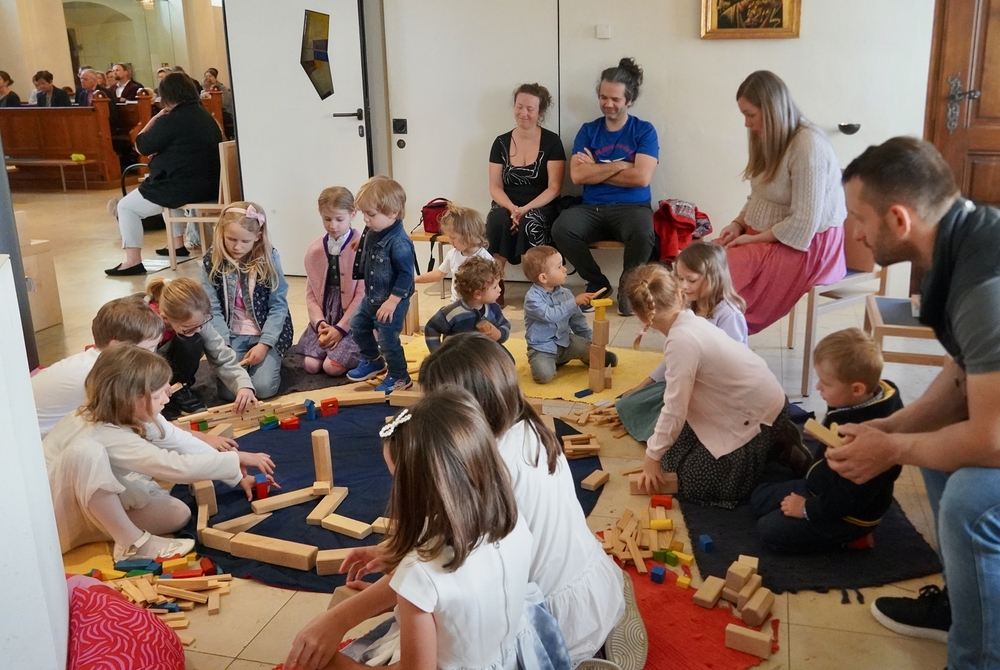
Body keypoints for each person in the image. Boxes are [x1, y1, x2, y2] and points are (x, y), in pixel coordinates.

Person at [825, 137, 1000, 668]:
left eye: (858, 218)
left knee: (970, 500)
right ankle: (965, 607)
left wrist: (892, 451)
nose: (853, 232)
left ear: (899, 220)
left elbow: (991, 441)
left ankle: (977, 658)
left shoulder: (984, 288)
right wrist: (891, 429)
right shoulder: (962, 243)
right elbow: (962, 377)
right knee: (933, 453)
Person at [285, 387, 571, 670]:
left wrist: (335, 663)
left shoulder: (419, 574)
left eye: (396, 479)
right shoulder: (510, 521)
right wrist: (399, 590)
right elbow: (461, 596)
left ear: (419, 489)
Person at [420, 334, 626, 663]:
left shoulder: (487, 468)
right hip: (592, 588)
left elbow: (448, 573)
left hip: (544, 623)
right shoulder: (530, 427)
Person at [43, 343, 276, 558]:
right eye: (159, 394)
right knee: (87, 452)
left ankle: (97, 528)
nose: (168, 398)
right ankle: (131, 543)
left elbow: (182, 442)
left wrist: (237, 476)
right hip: (53, 520)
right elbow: (175, 467)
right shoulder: (102, 432)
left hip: (87, 504)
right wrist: (234, 458)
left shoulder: (129, 413)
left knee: (178, 514)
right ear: (132, 399)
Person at [626, 263, 789, 508]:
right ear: (680, 295)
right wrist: (656, 454)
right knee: (670, 460)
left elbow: (674, 408)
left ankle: (774, 450)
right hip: (744, 404)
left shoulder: (681, 340)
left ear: (639, 315)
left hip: (760, 416)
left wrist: (651, 459)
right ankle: (765, 450)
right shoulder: (686, 323)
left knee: (694, 483)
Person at [714, 70, 846, 334]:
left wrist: (752, 240)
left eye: (750, 115)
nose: (746, 124)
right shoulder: (768, 137)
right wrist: (738, 224)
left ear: (772, 110)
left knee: (723, 271)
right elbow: (759, 194)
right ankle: (709, 339)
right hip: (774, 233)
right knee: (704, 260)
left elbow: (804, 222)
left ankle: (721, 339)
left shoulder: (808, 144)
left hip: (809, 243)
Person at [750, 328, 904, 552]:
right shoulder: (857, 397)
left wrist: (807, 509)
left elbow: (851, 498)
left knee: (769, 530)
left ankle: (854, 538)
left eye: (826, 383)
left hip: (848, 514)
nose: (818, 387)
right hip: (820, 484)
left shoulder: (866, 442)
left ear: (857, 389)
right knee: (758, 499)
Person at [550, 58, 659, 316]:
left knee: (644, 231)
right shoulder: (588, 131)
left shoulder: (644, 131)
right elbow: (577, 175)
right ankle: (597, 283)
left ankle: (629, 287)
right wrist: (621, 165)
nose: (608, 104)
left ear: (630, 100)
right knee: (562, 228)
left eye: (615, 99)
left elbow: (641, 178)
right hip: (592, 207)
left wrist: (596, 169)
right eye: (603, 97)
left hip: (633, 207)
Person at [616, 241, 748, 441]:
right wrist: (643, 385)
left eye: (691, 280)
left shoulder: (729, 315)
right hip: (690, 382)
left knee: (676, 424)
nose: (684, 286)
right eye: (679, 278)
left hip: (716, 391)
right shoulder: (687, 305)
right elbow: (674, 357)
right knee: (631, 404)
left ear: (714, 278)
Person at [107, 72, 222, 275]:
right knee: (169, 193)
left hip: (184, 187)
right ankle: (177, 246)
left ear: (167, 95)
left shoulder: (171, 118)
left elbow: (141, 146)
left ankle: (132, 261)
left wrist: (155, 118)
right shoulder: (205, 116)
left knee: (126, 207)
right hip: (210, 186)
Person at [32, 295, 163, 439]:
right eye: (148, 349)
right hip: (35, 441)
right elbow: (147, 424)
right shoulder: (105, 374)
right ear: (117, 346)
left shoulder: (94, 360)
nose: (153, 355)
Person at [201, 202, 293, 400]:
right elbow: (211, 308)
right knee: (230, 392)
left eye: (245, 241)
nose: (237, 247)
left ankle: (272, 360)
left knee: (263, 388)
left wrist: (265, 344)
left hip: (264, 334)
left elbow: (278, 305)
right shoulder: (211, 259)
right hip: (230, 335)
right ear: (221, 233)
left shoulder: (269, 257)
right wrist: (224, 345)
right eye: (231, 239)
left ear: (257, 236)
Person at [146, 277, 259, 419]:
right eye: (189, 327)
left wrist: (243, 385)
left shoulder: (196, 321)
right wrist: (157, 385)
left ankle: (180, 387)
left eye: (201, 324)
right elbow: (139, 367)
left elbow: (221, 355)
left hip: (169, 368)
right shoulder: (146, 325)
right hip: (147, 372)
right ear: (165, 318)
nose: (198, 329)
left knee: (192, 340)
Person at [346, 176, 416, 394]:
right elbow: (369, 237)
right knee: (357, 326)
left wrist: (392, 302)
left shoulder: (400, 243)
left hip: (392, 301)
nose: (365, 220)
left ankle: (399, 376)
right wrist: (362, 244)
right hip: (372, 296)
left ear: (393, 213)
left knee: (387, 341)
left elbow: (406, 275)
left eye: (371, 214)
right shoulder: (375, 229)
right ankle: (374, 361)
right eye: (364, 214)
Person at [486, 83, 566, 270]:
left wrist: (524, 210)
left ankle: (541, 279)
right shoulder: (500, 142)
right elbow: (495, 186)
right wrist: (513, 209)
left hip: (542, 205)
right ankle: (494, 279)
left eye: (530, 109)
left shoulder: (552, 141)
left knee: (531, 221)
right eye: (519, 107)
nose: (523, 113)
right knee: (498, 219)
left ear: (540, 112)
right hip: (508, 204)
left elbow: (554, 188)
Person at [522, 245, 616, 384]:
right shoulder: (532, 298)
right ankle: (550, 362)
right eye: (559, 267)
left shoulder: (565, 294)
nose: (565, 269)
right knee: (544, 376)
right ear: (543, 277)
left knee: (586, 348)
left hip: (566, 342)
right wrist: (574, 302)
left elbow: (578, 321)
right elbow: (550, 315)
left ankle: (590, 357)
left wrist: (594, 344)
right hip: (542, 348)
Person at [298, 186, 364, 377]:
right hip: (327, 314)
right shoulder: (315, 250)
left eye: (339, 219)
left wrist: (341, 329)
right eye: (327, 219)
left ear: (353, 214)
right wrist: (319, 323)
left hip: (353, 318)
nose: (333, 225)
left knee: (331, 367)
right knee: (310, 365)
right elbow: (311, 294)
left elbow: (362, 296)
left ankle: (367, 354)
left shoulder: (362, 247)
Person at [424, 256, 510, 352]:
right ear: (477, 294)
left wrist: (499, 334)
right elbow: (431, 328)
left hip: (486, 353)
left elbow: (505, 325)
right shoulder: (452, 312)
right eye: (495, 287)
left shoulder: (493, 308)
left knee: (508, 358)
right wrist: (437, 352)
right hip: (460, 356)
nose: (499, 289)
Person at [414, 204, 493, 303]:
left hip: (478, 305)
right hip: (456, 303)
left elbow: (492, 286)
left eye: (453, 238)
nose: (450, 242)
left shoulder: (485, 258)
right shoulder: (452, 254)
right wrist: (416, 279)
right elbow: (439, 274)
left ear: (468, 235)